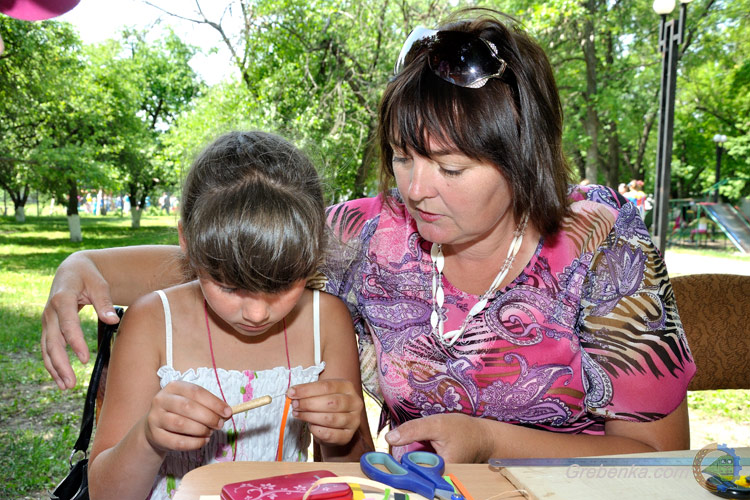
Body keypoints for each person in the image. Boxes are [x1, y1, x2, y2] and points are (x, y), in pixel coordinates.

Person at [42, 8, 695, 464]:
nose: (416, 188)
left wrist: (491, 442)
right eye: (403, 157)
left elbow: (655, 460)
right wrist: (82, 267)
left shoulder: (602, 243)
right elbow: (233, 261)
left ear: (523, 159)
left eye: (450, 168)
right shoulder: (371, 234)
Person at [85, 131, 373, 500]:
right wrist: (148, 438)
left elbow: (353, 476)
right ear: (188, 243)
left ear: (315, 249)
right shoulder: (152, 322)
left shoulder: (327, 321)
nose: (257, 313)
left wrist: (342, 435)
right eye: (230, 286)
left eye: (283, 284)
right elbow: (105, 493)